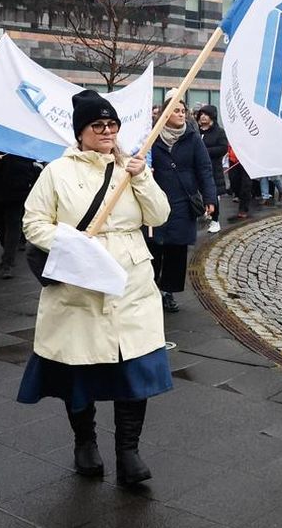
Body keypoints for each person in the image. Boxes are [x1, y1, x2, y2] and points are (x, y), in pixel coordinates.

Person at [19, 90, 172, 485]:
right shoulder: (58, 171)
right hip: (79, 283)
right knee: (78, 368)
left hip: (131, 283)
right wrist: (72, 246)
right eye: (98, 125)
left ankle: (129, 451)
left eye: (112, 125)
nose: (107, 131)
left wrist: (142, 178)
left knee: (133, 368)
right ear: (81, 132)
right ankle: (84, 442)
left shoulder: (132, 167)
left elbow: (159, 215)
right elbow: (33, 223)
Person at [145, 99, 217, 313]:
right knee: (153, 246)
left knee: (176, 248)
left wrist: (210, 198)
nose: (181, 114)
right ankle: (150, 287)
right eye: (176, 110)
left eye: (183, 110)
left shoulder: (193, 138)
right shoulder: (151, 137)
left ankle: (169, 291)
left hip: (182, 201)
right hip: (155, 200)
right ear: (165, 114)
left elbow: (204, 169)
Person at [0, 148, 41, 278]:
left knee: (13, 223)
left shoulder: (26, 140)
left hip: (18, 185)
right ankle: (8, 247)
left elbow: (36, 159)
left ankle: (7, 262)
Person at [195, 106, 227, 233]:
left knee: (213, 194)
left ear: (212, 116)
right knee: (199, 193)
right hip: (196, 168)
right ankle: (204, 211)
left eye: (206, 114)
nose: (203, 117)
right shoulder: (196, 131)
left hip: (213, 169)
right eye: (201, 114)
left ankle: (215, 221)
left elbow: (223, 148)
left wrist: (204, 152)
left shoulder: (219, 132)